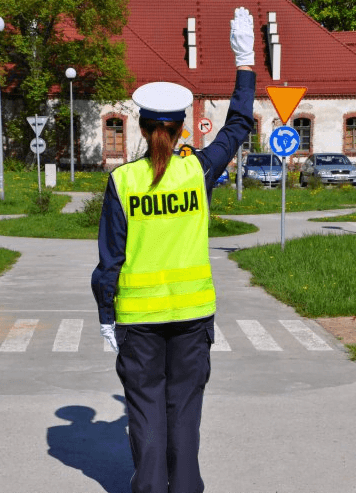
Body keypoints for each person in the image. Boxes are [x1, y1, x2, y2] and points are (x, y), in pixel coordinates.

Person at [90, 7, 255, 493]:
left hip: (138, 319)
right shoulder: (197, 172)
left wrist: (106, 313)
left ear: (141, 129)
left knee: (144, 410)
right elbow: (239, 124)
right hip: (191, 314)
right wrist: (244, 61)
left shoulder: (122, 182)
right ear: (183, 128)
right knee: (183, 409)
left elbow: (110, 259)